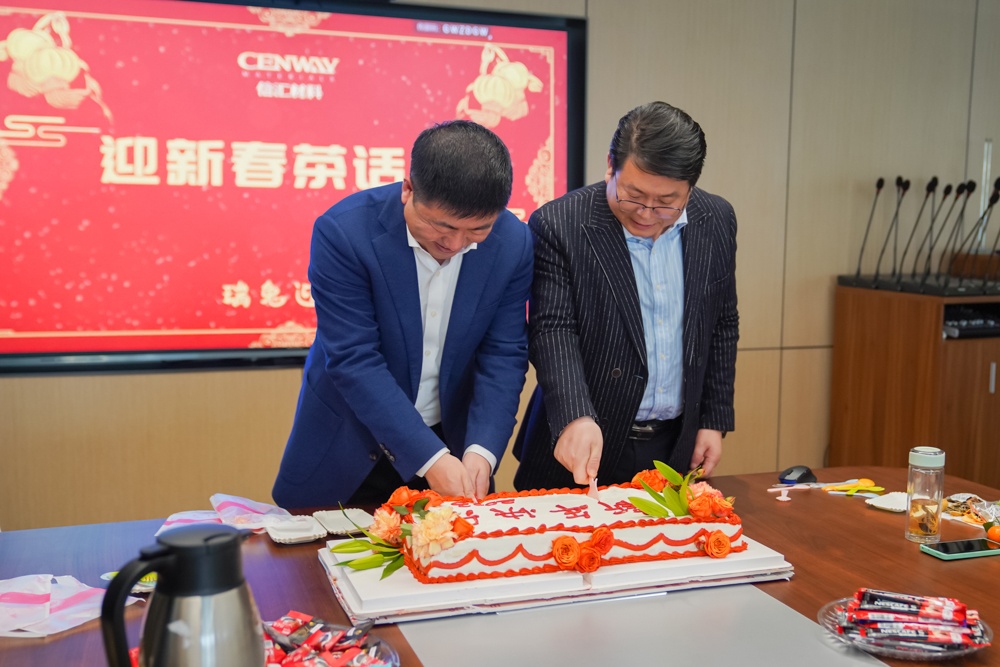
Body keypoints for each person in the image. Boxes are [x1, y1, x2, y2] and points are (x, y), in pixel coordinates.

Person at [272, 120, 532, 509]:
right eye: (441, 226)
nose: (455, 244)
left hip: (455, 447)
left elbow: (503, 354)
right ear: (408, 189)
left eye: (477, 231)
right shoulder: (344, 233)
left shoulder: (513, 242)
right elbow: (354, 359)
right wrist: (430, 458)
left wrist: (482, 450)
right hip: (351, 447)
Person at [513, 101, 738, 491]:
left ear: (690, 187)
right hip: (582, 440)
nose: (646, 213)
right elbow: (553, 330)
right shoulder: (560, 224)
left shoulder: (716, 219)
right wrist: (575, 416)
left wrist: (713, 419)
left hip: (674, 445)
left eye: (666, 202)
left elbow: (722, 323)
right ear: (610, 166)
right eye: (633, 195)